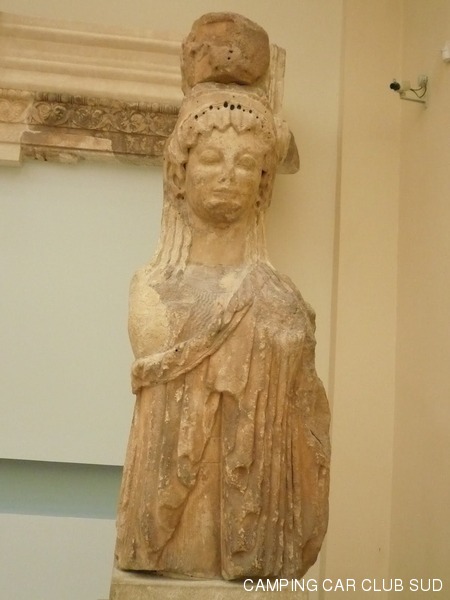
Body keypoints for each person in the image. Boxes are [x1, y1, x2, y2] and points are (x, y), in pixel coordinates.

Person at [114, 83, 330, 580]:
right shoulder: (153, 286)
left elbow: (306, 416)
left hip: (257, 524)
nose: (229, 175)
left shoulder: (281, 297)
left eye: (246, 163)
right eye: (212, 159)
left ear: (263, 184)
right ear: (180, 175)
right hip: (166, 531)